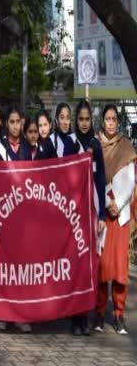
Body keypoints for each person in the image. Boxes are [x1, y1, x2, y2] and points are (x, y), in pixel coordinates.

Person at [95, 104, 136, 335]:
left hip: (120, 217)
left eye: (113, 119)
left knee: (120, 270)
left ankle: (119, 315)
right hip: (103, 215)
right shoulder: (96, 146)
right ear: (103, 121)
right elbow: (95, 179)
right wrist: (105, 203)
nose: (110, 123)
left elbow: (130, 181)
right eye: (107, 119)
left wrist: (117, 204)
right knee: (102, 269)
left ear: (118, 121)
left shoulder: (126, 147)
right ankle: (100, 314)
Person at [0, 106, 32, 333]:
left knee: (22, 266)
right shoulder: (0, 149)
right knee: (5, 265)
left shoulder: (28, 149)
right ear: (7, 124)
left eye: (19, 122)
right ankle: (3, 314)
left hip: (24, 215)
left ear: (23, 123)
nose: (16, 126)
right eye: (12, 122)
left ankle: (20, 314)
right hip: (5, 215)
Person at [73, 99, 107, 336]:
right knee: (75, 266)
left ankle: (86, 316)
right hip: (73, 215)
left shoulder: (96, 145)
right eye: (80, 119)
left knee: (89, 267)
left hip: (92, 212)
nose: (84, 123)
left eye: (87, 119)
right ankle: (75, 318)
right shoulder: (71, 144)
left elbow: (101, 180)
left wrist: (102, 214)